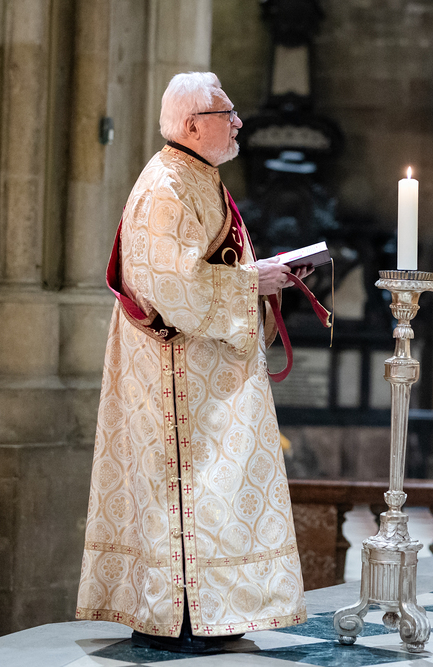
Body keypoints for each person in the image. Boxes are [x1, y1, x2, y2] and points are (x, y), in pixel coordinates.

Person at [75, 72, 309, 652]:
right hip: (175, 377)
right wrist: (251, 282)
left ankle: (213, 614)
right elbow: (167, 285)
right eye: (227, 114)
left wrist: (263, 277)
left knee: (218, 494)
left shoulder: (198, 177)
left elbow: (208, 269)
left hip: (207, 375)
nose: (238, 123)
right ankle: (178, 617)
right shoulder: (166, 186)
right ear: (192, 125)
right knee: (186, 492)